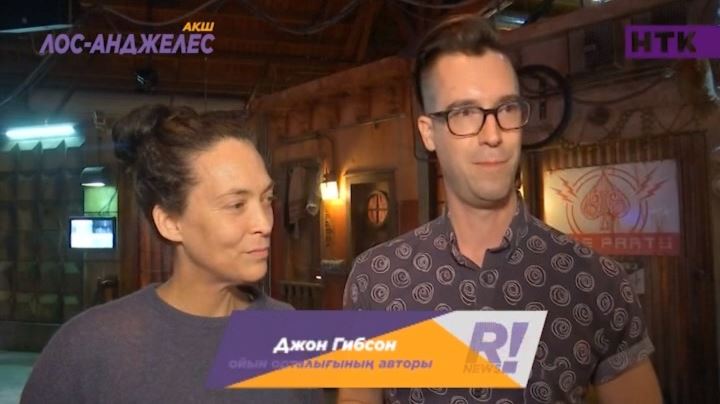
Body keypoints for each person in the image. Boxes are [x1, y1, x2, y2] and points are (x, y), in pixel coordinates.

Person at [339, 14, 662, 404]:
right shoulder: (378, 278)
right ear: (428, 133)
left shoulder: (596, 282)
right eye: (465, 113)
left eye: (506, 109)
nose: (493, 135)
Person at [21, 105, 322, 404]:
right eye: (236, 205)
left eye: (267, 198)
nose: (265, 223)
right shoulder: (89, 346)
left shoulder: (287, 328)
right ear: (170, 223)